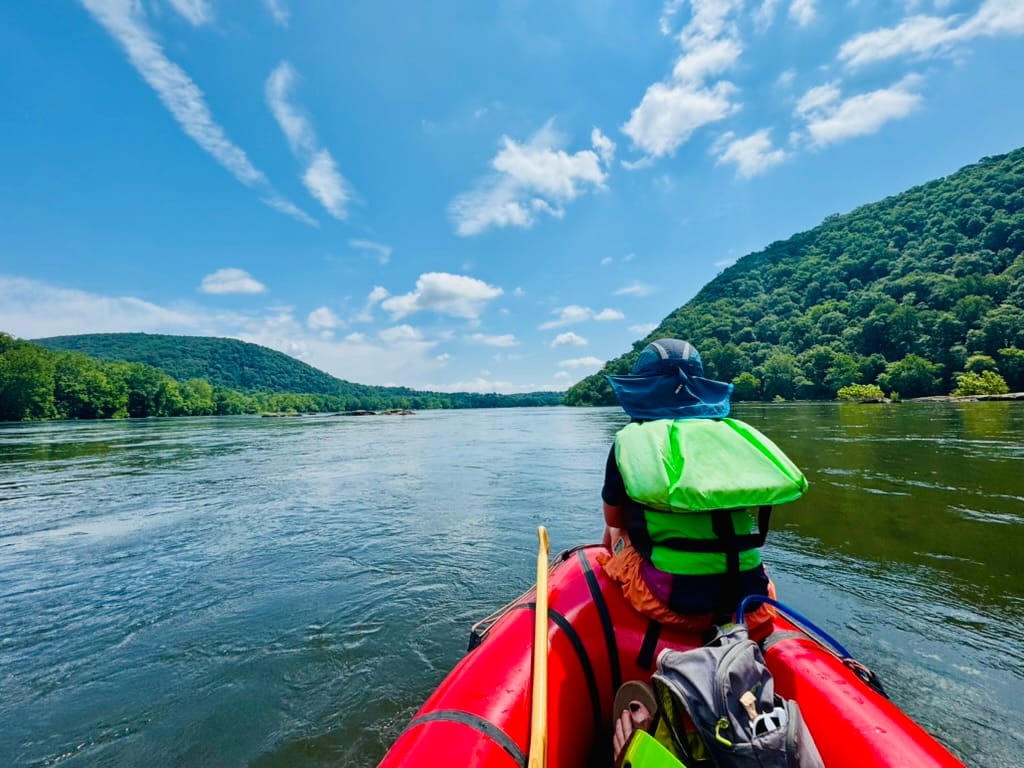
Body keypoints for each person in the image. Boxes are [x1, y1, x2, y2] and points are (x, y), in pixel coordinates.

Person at [599, 338, 808, 763]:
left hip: (670, 601)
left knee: (611, 536)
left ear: (642, 391)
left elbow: (616, 519)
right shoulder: (730, 439)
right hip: (750, 604)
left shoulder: (630, 442)